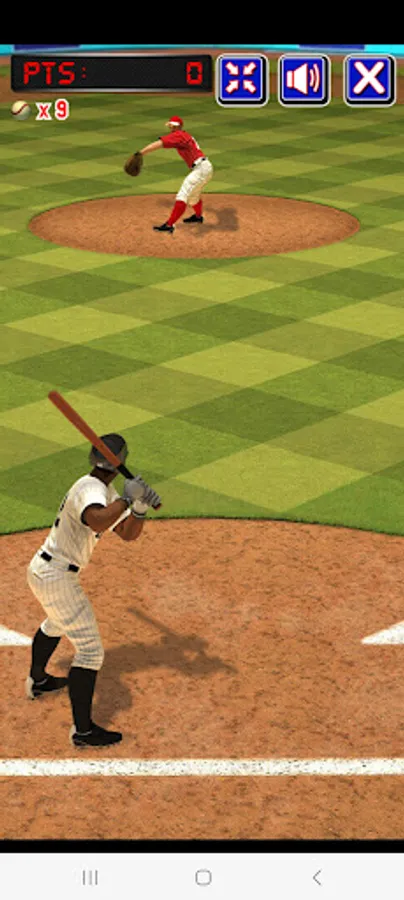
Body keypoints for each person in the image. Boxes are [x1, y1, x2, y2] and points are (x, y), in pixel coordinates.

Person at [25, 434, 161, 748]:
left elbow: (126, 533)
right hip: (56, 575)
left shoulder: (103, 490)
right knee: (90, 651)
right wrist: (126, 499)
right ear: (121, 460)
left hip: (46, 571)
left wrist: (138, 508)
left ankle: (39, 680)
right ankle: (83, 731)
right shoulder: (90, 489)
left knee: (56, 622)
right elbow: (97, 521)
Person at [139, 115, 213, 233]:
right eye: (171, 126)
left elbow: (159, 144)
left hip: (201, 169)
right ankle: (198, 217)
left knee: (182, 195)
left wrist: (140, 153)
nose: (172, 128)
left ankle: (169, 224)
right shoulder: (184, 135)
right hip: (204, 168)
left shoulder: (179, 135)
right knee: (193, 197)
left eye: (174, 126)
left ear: (179, 126)